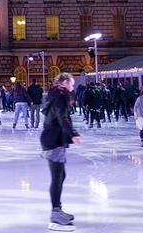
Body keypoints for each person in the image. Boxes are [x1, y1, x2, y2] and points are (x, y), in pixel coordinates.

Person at [41, 73, 81, 231]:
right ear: (65, 83)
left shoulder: (57, 94)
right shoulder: (60, 96)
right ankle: (55, 213)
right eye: (71, 83)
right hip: (54, 140)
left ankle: (57, 209)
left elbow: (61, 118)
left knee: (60, 175)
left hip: (54, 138)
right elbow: (62, 118)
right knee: (57, 177)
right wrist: (73, 134)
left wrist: (71, 133)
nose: (73, 86)